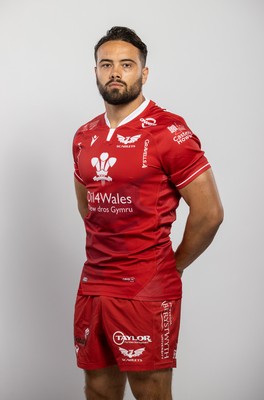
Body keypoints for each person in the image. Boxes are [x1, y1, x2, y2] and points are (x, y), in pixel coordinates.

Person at [72, 26, 224, 400]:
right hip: (94, 284)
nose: (115, 72)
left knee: (151, 391)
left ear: (144, 72)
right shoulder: (84, 136)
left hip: (146, 287)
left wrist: (173, 266)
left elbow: (209, 213)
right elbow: (87, 205)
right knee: (98, 389)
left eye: (126, 64)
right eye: (106, 64)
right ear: (95, 71)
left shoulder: (169, 131)